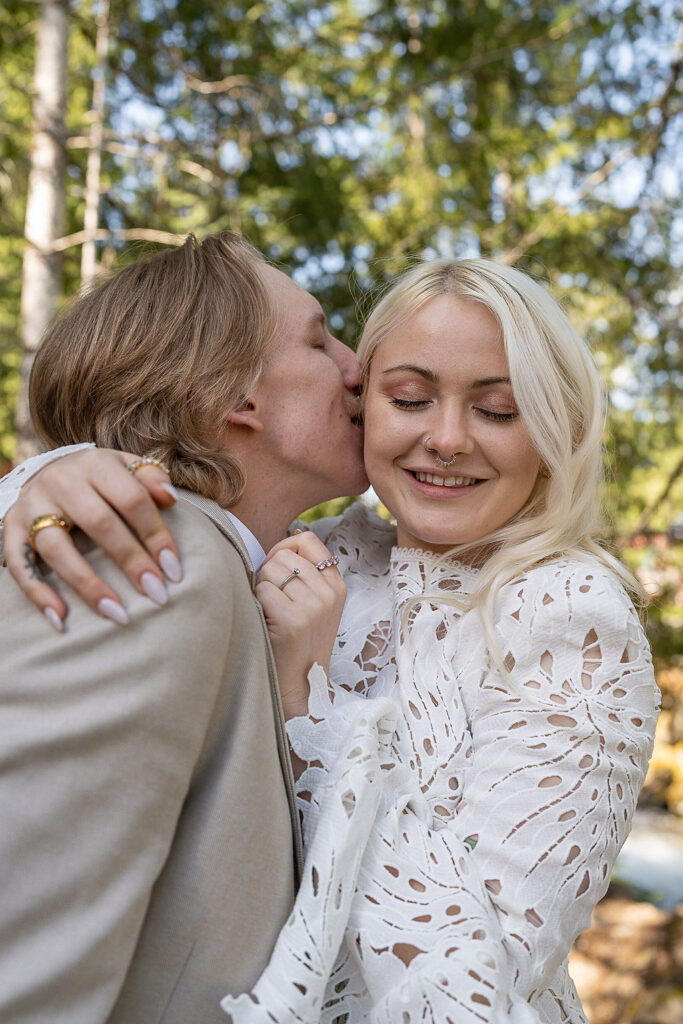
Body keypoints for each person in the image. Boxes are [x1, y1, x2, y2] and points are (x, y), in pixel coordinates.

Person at [1, 259, 658, 1022]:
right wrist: (60, 470)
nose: (444, 439)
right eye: (406, 397)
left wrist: (310, 702)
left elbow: (480, 981)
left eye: (499, 411)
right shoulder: (318, 550)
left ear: (555, 427)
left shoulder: (570, 615)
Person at [0, 230, 366, 1023]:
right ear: (236, 396)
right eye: (318, 339)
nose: (357, 365)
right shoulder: (155, 560)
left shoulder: (231, 579)